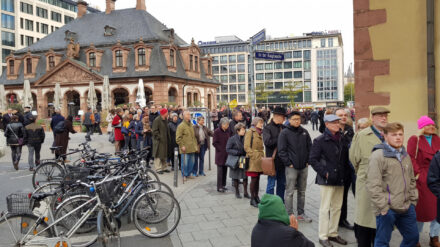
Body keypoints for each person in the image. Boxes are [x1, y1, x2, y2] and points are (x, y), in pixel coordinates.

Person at [366, 122, 419, 247]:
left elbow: (411, 179)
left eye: (400, 134)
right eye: (394, 134)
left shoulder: (405, 155)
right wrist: (383, 207)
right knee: (382, 242)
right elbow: (372, 185)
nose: (398, 137)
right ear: (385, 136)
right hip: (387, 209)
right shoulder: (378, 156)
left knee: (413, 238)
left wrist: (413, 201)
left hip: (406, 206)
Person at [349, 107, 390, 247]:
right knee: (365, 218)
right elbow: (354, 158)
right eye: (380, 116)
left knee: (382, 219)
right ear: (372, 118)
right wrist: (363, 172)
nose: (384, 118)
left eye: (385, 116)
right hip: (366, 182)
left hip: (385, 184)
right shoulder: (362, 135)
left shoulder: (390, 134)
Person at [309, 114, 349, 247]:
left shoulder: (342, 138)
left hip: (340, 177)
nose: (337, 124)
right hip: (327, 178)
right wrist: (325, 173)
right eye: (334, 122)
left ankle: (333, 233)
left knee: (337, 207)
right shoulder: (319, 140)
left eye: (338, 122)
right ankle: (323, 236)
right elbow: (313, 160)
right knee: (325, 208)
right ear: (326, 124)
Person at [407, 116, 440, 247]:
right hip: (422, 178)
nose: (431, 127)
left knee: (438, 209)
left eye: (432, 125)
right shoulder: (415, 139)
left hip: (437, 176)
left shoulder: (438, 139)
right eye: (427, 125)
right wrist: (419, 173)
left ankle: (434, 236)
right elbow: (410, 157)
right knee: (420, 211)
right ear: (421, 128)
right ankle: (415, 238)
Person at [278, 111, 312, 222]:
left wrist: (308, 161)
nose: (297, 121)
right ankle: (289, 214)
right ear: (289, 120)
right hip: (291, 167)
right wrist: (289, 163)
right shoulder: (284, 133)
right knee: (290, 191)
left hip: (304, 166)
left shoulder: (304, 132)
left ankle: (301, 213)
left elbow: (310, 148)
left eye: (298, 119)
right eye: (294, 119)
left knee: (302, 192)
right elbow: (281, 151)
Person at [334, 108, 355, 230]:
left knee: (344, 196)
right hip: (336, 169)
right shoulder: (332, 131)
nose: (343, 117)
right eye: (340, 115)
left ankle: (343, 219)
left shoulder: (349, 130)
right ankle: (334, 221)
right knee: (335, 198)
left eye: (345, 115)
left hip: (348, 168)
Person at [263, 106, 287, 201]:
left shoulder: (284, 127)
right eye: (283, 117)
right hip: (272, 161)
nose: (284, 119)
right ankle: (270, 203)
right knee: (271, 184)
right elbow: (268, 142)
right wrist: (281, 138)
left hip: (283, 161)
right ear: (276, 116)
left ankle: (280, 202)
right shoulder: (267, 128)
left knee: (282, 184)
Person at [245, 117, 265, 207]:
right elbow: (246, 146)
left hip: (260, 159)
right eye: (260, 123)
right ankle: (252, 199)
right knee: (253, 179)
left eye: (262, 123)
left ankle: (256, 196)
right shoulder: (250, 132)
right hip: (253, 160)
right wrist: (252, 155)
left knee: (258, 179)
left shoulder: (260, 132)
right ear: (255, 123)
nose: (261, 124)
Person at [226, 122, 249, 199]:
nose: (244, 131)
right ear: (237, 131)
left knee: (245, 176)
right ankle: (237, 192)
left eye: (244, 129)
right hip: (235, 160)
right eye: (242, 130)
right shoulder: (232, 139)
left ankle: (245, 192)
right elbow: (228, 149)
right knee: (236, 177)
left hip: (243, 159)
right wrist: (237, 152)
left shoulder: (246, 138)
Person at [176, 111, 198, 180]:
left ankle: (188, 174)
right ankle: (184, 175)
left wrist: (195, 145)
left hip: (192, 147)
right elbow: (178, 138)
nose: (190, 116)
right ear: (184, 116)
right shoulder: (181, 126)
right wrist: (182, 145)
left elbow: (193, 136)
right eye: (188, 114)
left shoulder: (190, 124)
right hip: (185, 148)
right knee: (184, 163)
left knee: (192, 162)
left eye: (190, 114)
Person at [213, 117, 231, 192]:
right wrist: (220, 149)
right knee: (220, 171)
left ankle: (223, 185)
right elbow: (214, 143)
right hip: (220, 154)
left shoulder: (227, 131)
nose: (228, 126)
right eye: (227, 125)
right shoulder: (217, 131)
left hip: (226, 154)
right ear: (222, 124)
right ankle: (219, 186)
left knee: (225, 170)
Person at [152, 108, 171, 174]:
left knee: (163, 154)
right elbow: (154, 131)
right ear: (164, 113)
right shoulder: (157, 120)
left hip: (165, 140)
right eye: (167, 112)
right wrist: (160, 137)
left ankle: (164, 167)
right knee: (158, 154)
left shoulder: (165, 119)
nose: (168, 113)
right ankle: (158, 169)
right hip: (158, 141)